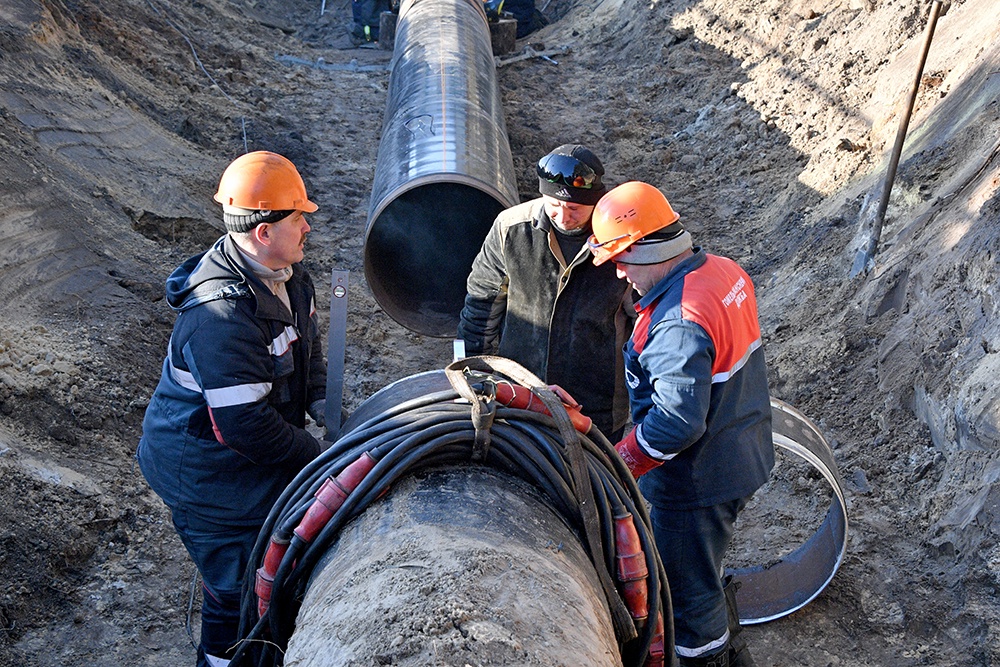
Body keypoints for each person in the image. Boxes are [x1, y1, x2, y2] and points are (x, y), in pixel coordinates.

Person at [137, 151, 328, 667]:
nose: (308, 226)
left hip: (245, 456)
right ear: (263, 232)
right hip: (207, 475)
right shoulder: (221, 318)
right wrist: (314, 454)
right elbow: (244, 425)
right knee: (236, 586)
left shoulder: (288, 276)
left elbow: (307, 351)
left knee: (275, 556)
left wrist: (320, 403)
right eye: (298, 217)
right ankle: (222, 658)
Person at [588, 181, 774, 667]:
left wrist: (620, 463)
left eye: (622, 259)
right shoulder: (722, 271)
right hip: (742, 445)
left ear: (649, 248)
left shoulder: (677, 321)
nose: (620, 272)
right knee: (701, 569)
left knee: (687, 594)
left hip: (698, 480)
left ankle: (704, 656)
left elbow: (675, 423)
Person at [457, 144, 633, 439]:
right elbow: (481, 305)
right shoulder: (510, 229)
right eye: (553, 205)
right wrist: (472, 376)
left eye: (574, 208)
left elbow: (647, 326)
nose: (563, 217)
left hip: (596, 405)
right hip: (521, 395)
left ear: (596, 201)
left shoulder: (621, 239)